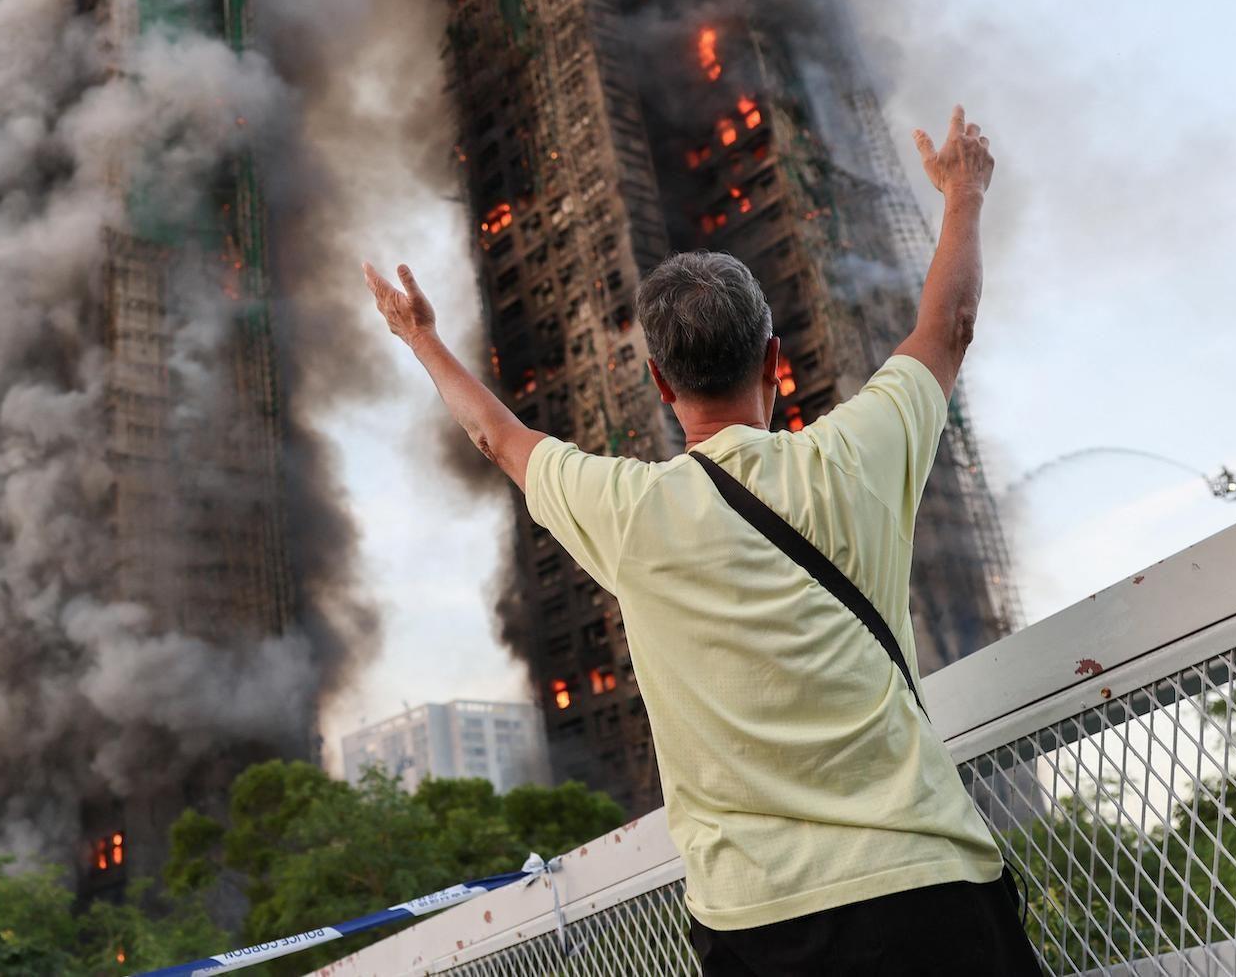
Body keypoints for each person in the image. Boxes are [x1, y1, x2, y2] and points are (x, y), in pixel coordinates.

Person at [362, 106, 1040, 975]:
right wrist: (964, 194)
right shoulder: (858, 455)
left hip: (757, 931)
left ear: (656, 381)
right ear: (774, 360)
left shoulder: (628, 510)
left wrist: (419, 334)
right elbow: (946, 326)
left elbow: (498, 436)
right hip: (931, 894)